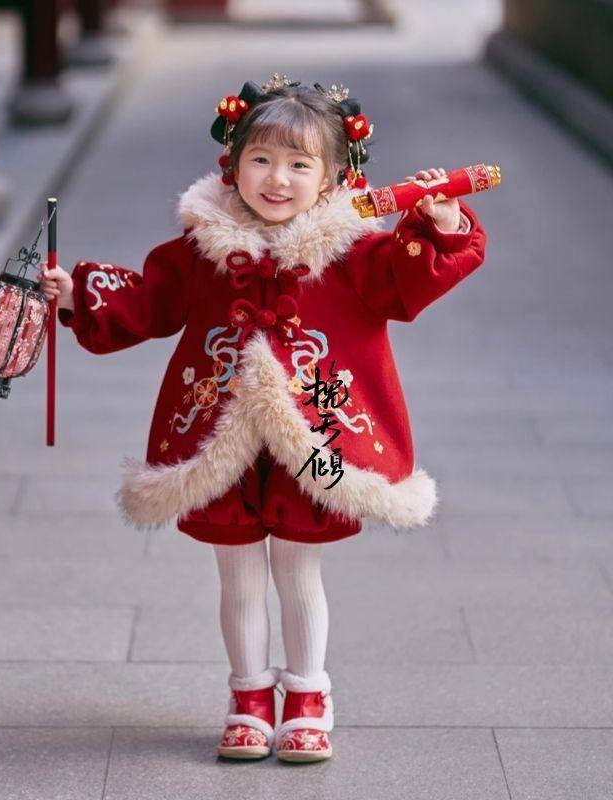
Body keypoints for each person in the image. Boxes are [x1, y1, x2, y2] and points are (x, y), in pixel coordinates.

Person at [39, 75, 487, 763]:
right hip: (219, 434)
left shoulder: (354, 250)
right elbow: (150, 298)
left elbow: (407, 281)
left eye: (300, 164)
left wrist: (443, 224)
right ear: (233, 163)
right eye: (262, 159)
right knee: (238, 573)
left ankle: (308, 694)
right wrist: (77, 295)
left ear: (332, 176)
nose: (278, 179)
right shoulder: (205, 245)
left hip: (315, 432)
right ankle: (248, 694)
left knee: (299, 569)